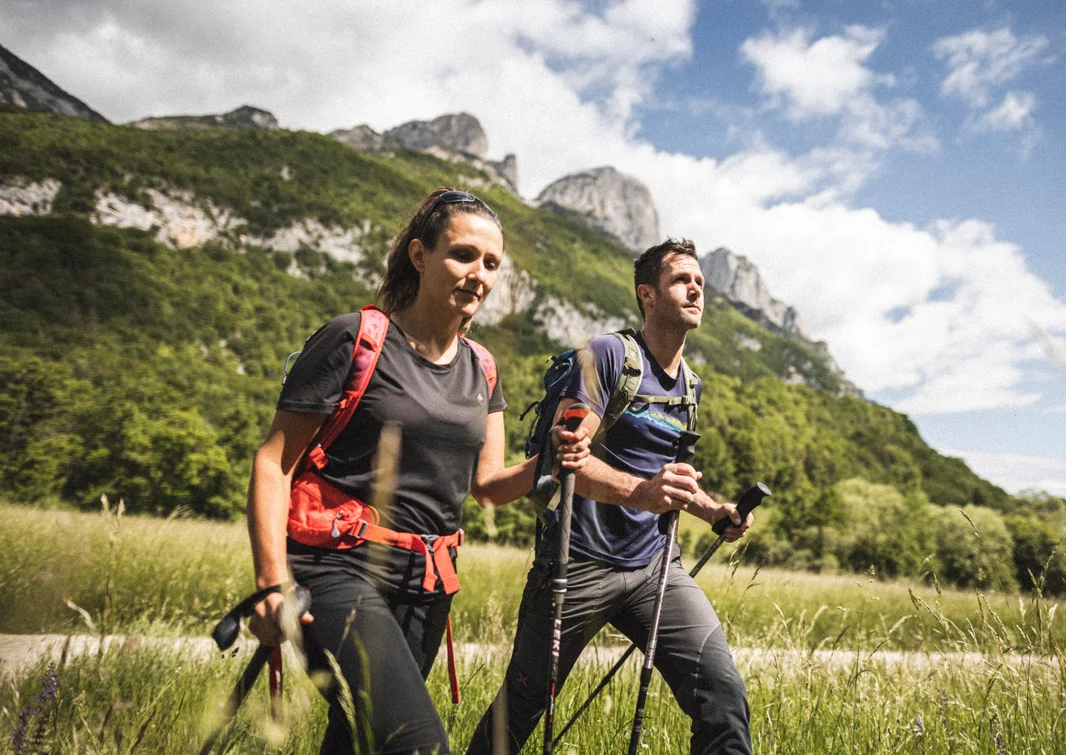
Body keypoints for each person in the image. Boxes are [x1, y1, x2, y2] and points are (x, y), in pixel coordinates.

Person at [245, 188, 590, 755]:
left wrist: (548, 459)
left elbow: (487, 487)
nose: (478, 273)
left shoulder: (482, 367)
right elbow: (273, 462)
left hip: (428, 589)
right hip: (337, 570)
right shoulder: (354, 339)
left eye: (491, 263)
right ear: (419, 255)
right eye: (462, 254)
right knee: (417, 744)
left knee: (358, 741)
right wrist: (270, 582)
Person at [466, 238, 756, 755]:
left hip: (655, 568)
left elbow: (667, 475)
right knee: (522, 707)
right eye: (681, 280)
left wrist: (713, 510)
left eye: (700, 283)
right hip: (578, 565)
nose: (696, 289)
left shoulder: (689, 385)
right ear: (648, 295)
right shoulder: (608, 357)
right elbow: (566, 458)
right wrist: (640, 493)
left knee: (723, 695)